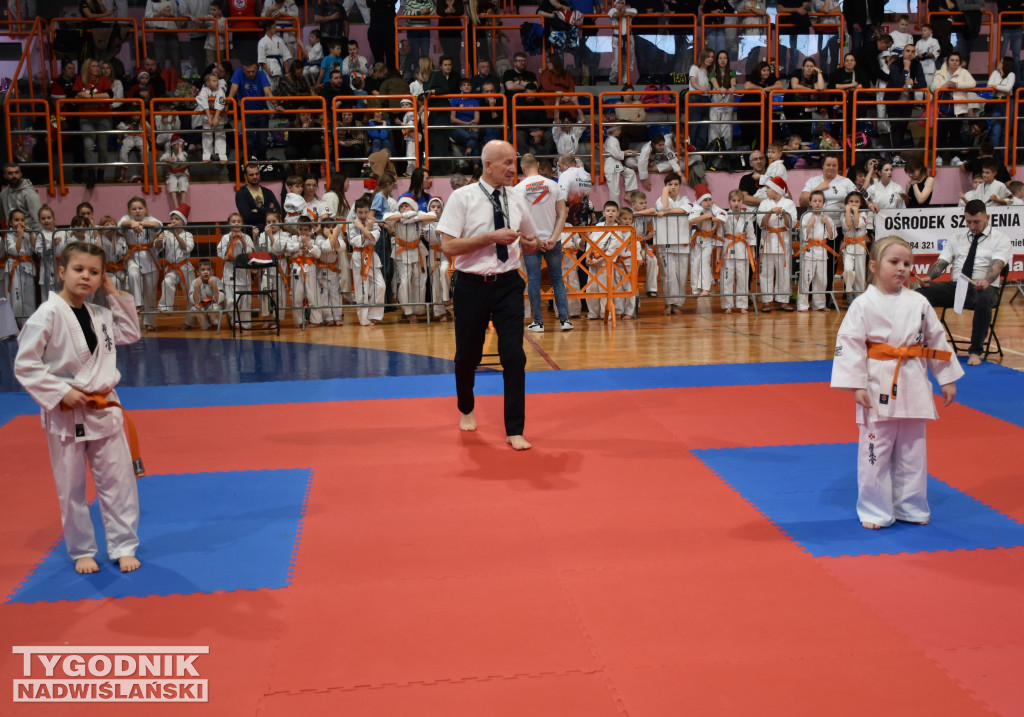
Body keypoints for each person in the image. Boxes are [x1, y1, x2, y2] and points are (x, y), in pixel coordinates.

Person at [14, 240, 143, 574]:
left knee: (119, 481)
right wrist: (59, 392)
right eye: (79, 269)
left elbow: (129, 332)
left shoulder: (100, 314)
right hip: (66, 412)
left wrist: (114, 292)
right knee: (71, 488)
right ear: (61, 271)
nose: (86, 276)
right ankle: (82, 549)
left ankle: (123, 544)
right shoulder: (47, 315)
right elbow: (26, 365)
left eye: (95, 272)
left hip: (104, 410)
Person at [831, 235, 964, 529]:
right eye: (894, 262)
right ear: (875, 266)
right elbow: (850, 345)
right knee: (875, 454)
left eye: (907, 263)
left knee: (913, 452)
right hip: (877, 383)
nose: (902, 268)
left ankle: (911, 507)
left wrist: (947, 377)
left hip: (914, 380)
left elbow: (936, 340)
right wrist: (857, 385)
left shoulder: (918, 302)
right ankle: (875, 510)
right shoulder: (862, 305)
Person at [436, 140, 541, 451]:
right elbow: (448, 247)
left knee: (514, 355)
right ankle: (466, 407)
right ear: (488, 165)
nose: (513, 168)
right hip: (471, 284)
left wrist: (534, 243)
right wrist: (490, 238)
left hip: (508, 283)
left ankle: (515, 428)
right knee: (468, 355)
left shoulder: (518, 196)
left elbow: (530, 237)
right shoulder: (462, 197)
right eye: (507, 162)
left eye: (514, 161)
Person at [916, 200, 1013, 366]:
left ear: (987, 218)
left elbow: (997, 266)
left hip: (984, 287)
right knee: (918, 296)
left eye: (977, 222)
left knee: (983, 298)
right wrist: (930, 277)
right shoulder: (956, 238)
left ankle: (975, 351)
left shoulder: (1001, 239)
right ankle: (918, 342)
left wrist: (986, 280)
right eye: (968, 222)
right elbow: (942, 261)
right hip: (957, 286)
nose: (972, 226)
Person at [515, 153, 572, 332]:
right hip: (553, 239)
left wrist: (535, 240)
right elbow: (563, 213)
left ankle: (538, 322)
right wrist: (554, 238)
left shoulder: (518, 188)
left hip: (532, 241)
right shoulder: (553, 185)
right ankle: (564, 320)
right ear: (538, 165)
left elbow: (517, 220)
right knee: (557, 279)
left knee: (533, 280)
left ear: (522, 167)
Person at [384, 195, 433, 322]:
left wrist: (413, 217)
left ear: (413, 206)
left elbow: (433, 216)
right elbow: (386, 218)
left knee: (419, 281)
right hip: (402, 251)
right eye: (402, 206)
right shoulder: (396, 216)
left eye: (407, 205)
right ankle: (408, 311)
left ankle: (418, 309)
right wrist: (404, 216)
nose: (404, 208)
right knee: (405, 281)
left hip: (417, 250)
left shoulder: (418, 214)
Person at [228, 60, 285, 162]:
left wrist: (276, 105)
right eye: (248, 72)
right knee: (248, 142)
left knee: (262, 141)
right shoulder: (238, 73)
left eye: (253, 71)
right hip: (246, 113)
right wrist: (227, 104)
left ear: (257, 69)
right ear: (243, 69)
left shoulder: (261, 74)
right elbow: (233, 91)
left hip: (261, 112)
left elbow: (267, 92)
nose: (251, 74)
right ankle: (250, 162)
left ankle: (262, 162)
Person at [119, 197, 162, 331]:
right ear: (129, 211)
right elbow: (121, 224)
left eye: (140, 208)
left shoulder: (150, 220)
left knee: (150, 292)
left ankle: (149, 321)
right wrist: (132, 223)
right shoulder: (126, 219)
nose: (137, 211)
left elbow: (159, 225)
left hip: (149, 257)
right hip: (132, 256)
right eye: (134, 209)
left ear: (145, 209)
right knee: (132, 273)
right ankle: (138, 304)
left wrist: (142, 224)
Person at [654, 172, 691, 314]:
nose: (673, 187)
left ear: (680, 186)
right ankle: (668, 304)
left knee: (681, 276)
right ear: (665, 186)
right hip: (665, 243)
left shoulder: (685, 199)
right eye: (670, 184)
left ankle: (677, 304)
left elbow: (684, 210)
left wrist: (667, 212)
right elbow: (662, 207)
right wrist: (665, 191)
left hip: (682, 243)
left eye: (676, 184)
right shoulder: (660, 200)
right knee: (668, 275)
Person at [757, 176, 796, 312]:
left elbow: (791, 224)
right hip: (768, 241)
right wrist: (770, 212)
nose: (766, 190)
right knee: (766, 272)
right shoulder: (764, 204)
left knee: (784, 273)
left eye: (768, 188)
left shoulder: (789, 203)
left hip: (783, 242)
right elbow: (761, 223)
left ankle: (783, 301)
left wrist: (784, 213)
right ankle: (766, 301)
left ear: (776, 190)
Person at [349, 196, 385, 326]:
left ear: (369, 211)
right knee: (362, 290)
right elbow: (357, 241)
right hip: (358, 256)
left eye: (366, 212)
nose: (363, 215)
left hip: (371, 255)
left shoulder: (373, 223)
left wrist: (365, 228)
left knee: (381, 285)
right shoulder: (352, 225)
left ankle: (374, 315)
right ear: (355, 212)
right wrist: (366, 231)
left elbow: (373, 238)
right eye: (360, 212)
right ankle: (364, 319)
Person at [718, 189, 756, 314]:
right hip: (728, 249)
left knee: (742, 278)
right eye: (733, 200)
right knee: (727, 279)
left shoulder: (747, 217)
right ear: (729, 201)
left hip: (743, 250)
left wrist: (753, 252)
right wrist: (718, 253)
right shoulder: (724, 216)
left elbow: (751, 236)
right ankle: (727, 305)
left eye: (739, 201)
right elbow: (719, 236)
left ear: (742, 202)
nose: (736, 203)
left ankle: (742, 305)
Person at [797, 190, 835, 311]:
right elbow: (803, 235)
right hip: (809, 251)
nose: (817, 203)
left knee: (821, 280)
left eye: (820, 201)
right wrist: (810, 224)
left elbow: (832, 236)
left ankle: (819, 304)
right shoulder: (806, 217)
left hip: (822, 251)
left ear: (823, 203)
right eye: (815, 201)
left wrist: (827, 223)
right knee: (806, 279)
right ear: (810, 202)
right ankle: (802, 305)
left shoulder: (826, 217)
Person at [217, 212, 256, 328]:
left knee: (245, 300)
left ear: (242, 223)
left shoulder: (247, 237)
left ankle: (246, 324)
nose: (236, 223)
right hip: (230, 269)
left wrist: (243, 241)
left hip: (244, 271)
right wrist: (230, 241)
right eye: (233, 221)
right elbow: (221, 254)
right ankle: (233, 321)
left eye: (239, 221)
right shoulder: (225, 237)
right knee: (231, 300)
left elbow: (250, 253)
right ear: (229, 224)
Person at [285, 216, 322, 327]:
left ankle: (316, 320)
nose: (303, 232)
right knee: (297, 296)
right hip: (297, 268)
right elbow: (288, 248)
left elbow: (318, 254)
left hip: (310, 268)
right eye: (301, 229)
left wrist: (309, 245)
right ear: (297, 228)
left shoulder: (314, 240)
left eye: (305, 229)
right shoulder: (292, 239)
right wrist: (300, 245)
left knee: (312, 295)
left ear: (310, 229)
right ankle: (299, 321)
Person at [688, 191, 724, 297]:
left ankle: (706, 288)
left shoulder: (715, 208)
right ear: (700, 202)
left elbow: (723, 217)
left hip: (709, 240)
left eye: (710, 200)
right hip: (697, 239)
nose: (708, 203)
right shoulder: (696, 208)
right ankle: (695, 288)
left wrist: (711, 217)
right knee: (695, 263)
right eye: (705, 200)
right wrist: (705, 216)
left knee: (705, 262)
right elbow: (691, 220)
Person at [5, 209, 36, 323]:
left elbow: (34, 248)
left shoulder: (27, 234)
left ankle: (29, 323)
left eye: (22, 220)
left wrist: (31, 234)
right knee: (16, 297)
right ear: (10, 222)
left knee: (29, 296)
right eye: (16, 220)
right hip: (15, 267)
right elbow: (15, 251)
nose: (20, 223)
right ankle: (16, 324)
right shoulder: (8, 235)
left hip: (27, 266)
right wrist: (19, 236)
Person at [235, 163, 283, 234]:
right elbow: (247, 216)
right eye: (251, 175)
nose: (255, 177)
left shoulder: (267, 192)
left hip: (271, 233)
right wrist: (269, 210)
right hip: (251, 233)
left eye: (257, 174)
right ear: (245, 176)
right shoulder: (241, 194)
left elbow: (277, 211)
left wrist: (258, 210)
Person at [1, 162, 44, 234]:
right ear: (5, 175)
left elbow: (38, 219)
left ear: (21, 174)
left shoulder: (30, 194)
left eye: (16, 172)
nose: (14, 176)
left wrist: (37, 238)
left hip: (28, 235)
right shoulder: (3, 193)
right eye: (10, 173)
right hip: (11, 234)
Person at [603, 124, 638, 208]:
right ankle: (615, 210)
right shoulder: (612, 141)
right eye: (618, 130)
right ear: (613, 131)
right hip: (612, 166)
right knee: (614, 192)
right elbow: (618, 155)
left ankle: (628, 194)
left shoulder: (612, 140)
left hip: (615, 165)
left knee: (630, 173)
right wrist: (628, 151)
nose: (620, 131)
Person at [842, 191, 869, 297]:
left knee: (860, 275)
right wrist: (848, 211)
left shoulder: (864, 214)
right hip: (848, 247)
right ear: (847, 203)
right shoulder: (843, 214)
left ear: (861, 203)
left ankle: (859, 297)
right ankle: (849, 291)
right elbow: (848, 225)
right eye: (851, 201)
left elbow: (857, 224)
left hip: (860, 247)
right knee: (848, 269)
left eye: (856, 202)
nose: (853, 204)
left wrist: (856, 212)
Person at [557, 152, 592, 228]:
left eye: (560, 166)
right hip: (584, 220)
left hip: (568, 222)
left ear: (566, 165)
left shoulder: (565, 175)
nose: (559, 169)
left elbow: (562, 199)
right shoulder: (586, 176)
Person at [190, 258, 224, 330]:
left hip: (214, 306)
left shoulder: (216, 280)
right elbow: (195, 301)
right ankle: (204, 325)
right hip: (202, 306)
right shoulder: (194, 282)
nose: (206, 272)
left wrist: (213, 285)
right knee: (194, 309)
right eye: (203, 270)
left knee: (215, 308)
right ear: (197, 272)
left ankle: (214, 322)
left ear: (213, 271)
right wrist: (197, 286)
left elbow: (219, 299)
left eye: (208, 270)